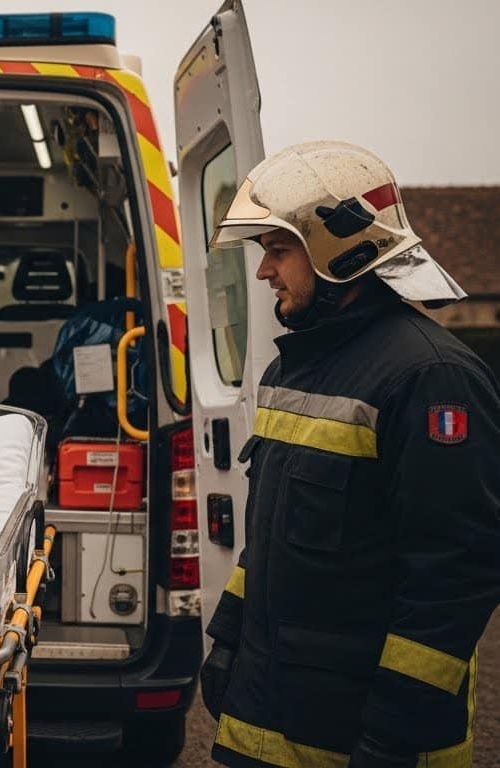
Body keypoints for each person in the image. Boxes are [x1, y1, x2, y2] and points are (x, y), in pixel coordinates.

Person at [198, 141, 500, 767]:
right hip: (266, 713)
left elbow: (453, 578)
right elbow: (272, 539)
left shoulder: (432, 379)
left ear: (340, 253)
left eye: (278, 250)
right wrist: (227, 638)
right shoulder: (296, 367)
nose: (264, 272)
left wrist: (393, 733)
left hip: (352, 737)